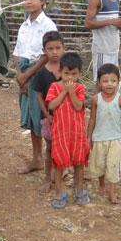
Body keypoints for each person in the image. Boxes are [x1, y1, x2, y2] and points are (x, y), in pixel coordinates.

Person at [13, 0, 57, 174]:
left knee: (44, 116)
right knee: (31, 117)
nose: (29, 1)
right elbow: (17, 52)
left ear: (43, 1)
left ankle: (53, 159)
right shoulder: (24, 25)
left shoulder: (48, 25)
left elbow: (48, 53)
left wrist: (28, 75)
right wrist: (19, 75)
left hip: (40, 73)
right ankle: (37, 158)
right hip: (24, 72)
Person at [46, 52, 89, 208]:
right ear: (60, 72)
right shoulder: (54, 87)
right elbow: (51, 106)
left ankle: (79, 190)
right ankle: (59, 192)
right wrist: (64, 91)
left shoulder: (80, 88)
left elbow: (78, 106)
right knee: (59, 163)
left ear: (79, 73)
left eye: (74, 74)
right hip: (60, 132)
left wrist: (71, 92)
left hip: (77, 134)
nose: (70, 77)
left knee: (79, 162)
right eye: (66, 73)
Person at [87, 63, 121, 204]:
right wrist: (88, 137)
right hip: (99, 138)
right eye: (105, 81)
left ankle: (112, 192)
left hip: (115, 138)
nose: (109, 84)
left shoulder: (120, 99)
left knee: (113, 165)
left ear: (119, 81)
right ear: (99, 82)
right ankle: (102, 185)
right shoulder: (96, 99)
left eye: (113, 81)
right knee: (99, 164)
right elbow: (92, 119)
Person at [32, 31, 64, 193]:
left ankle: (60, 174)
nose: (54, 52)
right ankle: (47, 177)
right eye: (50, 49)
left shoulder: (68, 70)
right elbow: (38, 96)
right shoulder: (41, 73)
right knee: (50, 147)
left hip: (66, 117)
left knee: (64, 147)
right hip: (49, 118)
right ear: (44, 50)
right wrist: (47, 115)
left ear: (63, 48)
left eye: (58, 48)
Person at [84, 0, 121, 76]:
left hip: (114, 48)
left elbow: (113, 22)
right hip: (102, 50)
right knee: (101, 82)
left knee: (112, 82)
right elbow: (87, 23)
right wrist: (110, 22)